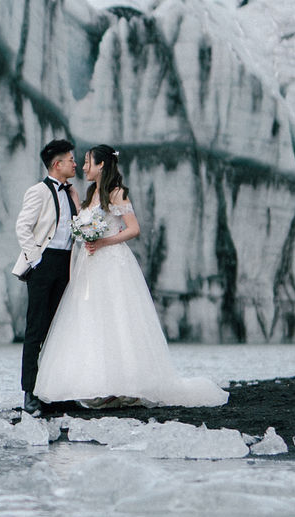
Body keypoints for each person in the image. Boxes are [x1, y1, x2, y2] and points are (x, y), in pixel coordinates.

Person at [33, 144, 228, 408]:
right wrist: (79, 207)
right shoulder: (90, 193)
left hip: (112, 262)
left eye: (88, 161)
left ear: (102, 165)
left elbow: (133, 229)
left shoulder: (117, 193)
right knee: (94, 321)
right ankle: (102, 385)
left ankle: (125, 384)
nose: (84, 166)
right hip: (90, 265)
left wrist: (104, 242)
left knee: (118, 320)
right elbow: (85, 222)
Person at [13, 138, 81, 415]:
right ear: (57, 164)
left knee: (59, 329)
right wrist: (36, 260)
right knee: (36, 330)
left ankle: (56, 391)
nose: (75, 164)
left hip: (67, 263)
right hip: (45, 263)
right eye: (71, 160)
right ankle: (30, 393)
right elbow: (23, 227)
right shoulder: (38, 191)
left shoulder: (71, 192)